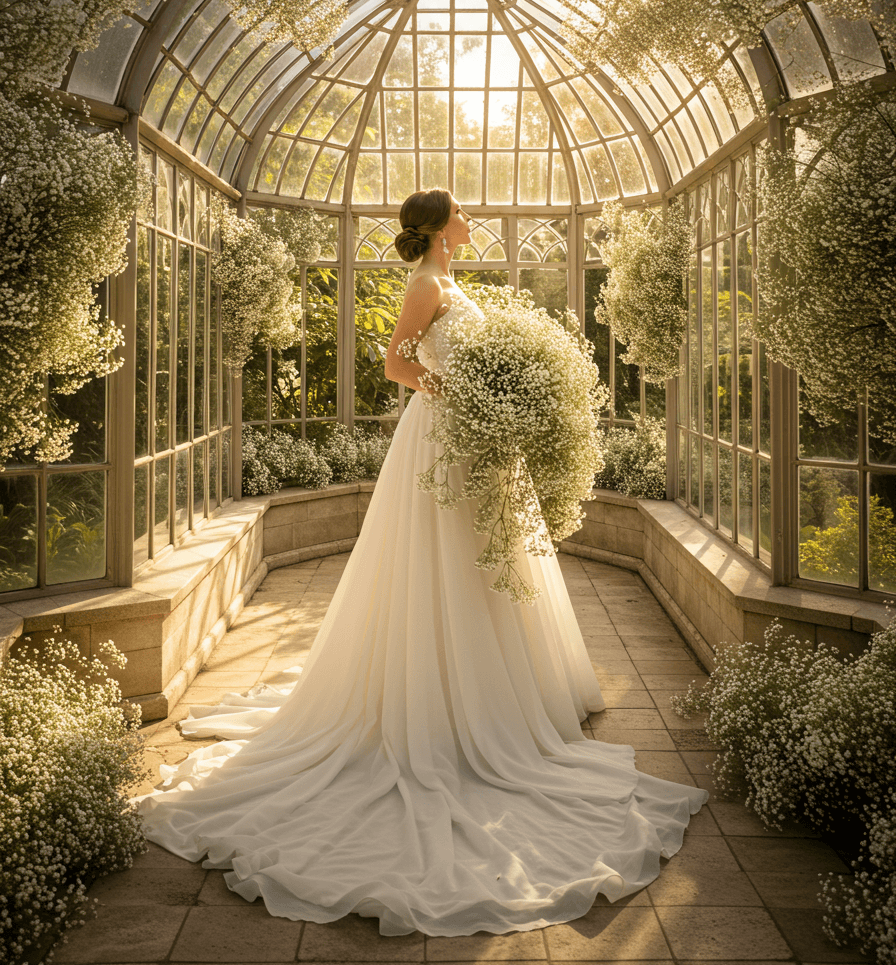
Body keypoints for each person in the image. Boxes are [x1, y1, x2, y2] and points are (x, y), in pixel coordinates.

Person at [137, 186, 707, 937]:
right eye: (462, 215)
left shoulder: (448, 281)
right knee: (442, 561)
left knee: (484, 562)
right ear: (439, 229)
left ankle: (496, 686)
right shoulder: (426, 284)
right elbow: (395, 366)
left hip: (470, 436)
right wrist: (466, 391)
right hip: (439, 437)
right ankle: (443, 698)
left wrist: (500, 397)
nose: (471, 222)